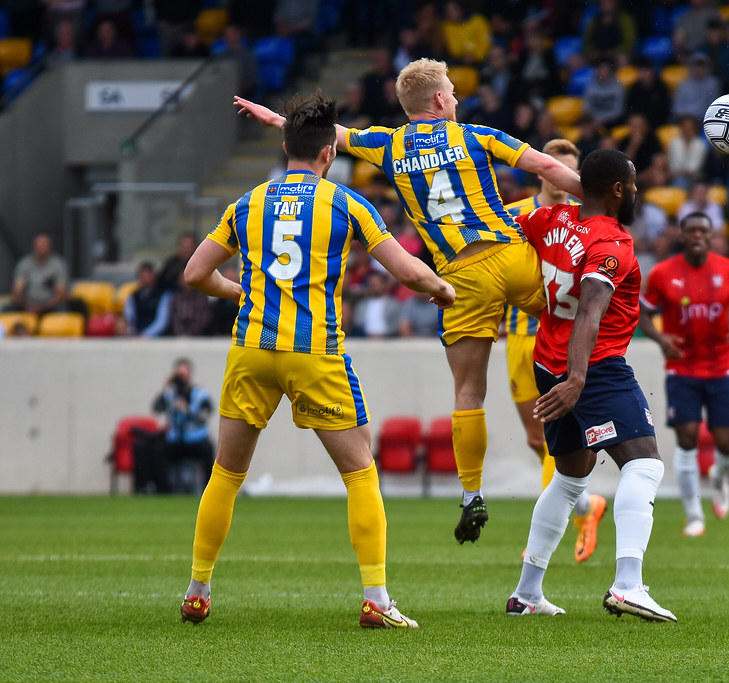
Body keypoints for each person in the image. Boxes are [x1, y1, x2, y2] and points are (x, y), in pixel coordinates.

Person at [234, 59, 583, 545]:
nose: (457, 99)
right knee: (581, 326)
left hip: (462, 277)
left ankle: (471, 495)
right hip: (511, 255)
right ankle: (599, 408)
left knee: (469, 392)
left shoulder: (389, 143)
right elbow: (546, 167)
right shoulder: (477, 135)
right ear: (440, 100)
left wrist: (278, 120)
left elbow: (331, 135)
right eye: (454, 93)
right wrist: (602, 202)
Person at [178, 91, 455, 629]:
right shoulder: (347, 204)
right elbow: (407, 271)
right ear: (331, 153)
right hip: (314, 354)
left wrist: (242, 293)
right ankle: (376, 597)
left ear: (286, 145)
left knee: (226, 473)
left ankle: (197, 589)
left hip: (252, 350)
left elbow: (193, 274)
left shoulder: (249, 202)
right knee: (360, 473)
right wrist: (441, 289)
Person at [504, 149, 675, 622]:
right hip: (592, 368)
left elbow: (506, 239)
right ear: (618, 190)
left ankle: (526, 594)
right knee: (645, 466)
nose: (637, 191)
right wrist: (578, 379)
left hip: (545, 360)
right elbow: (590, 311)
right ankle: (628, 585)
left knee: (570, 477)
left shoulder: (546, 218)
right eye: (634, 184)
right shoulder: (613, 244)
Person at [503, 139, 606, 564]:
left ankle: (546, 530)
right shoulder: (514, 215)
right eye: (556, 170)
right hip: (518, 336)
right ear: (541, 171)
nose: (565, 180)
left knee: (552, 438)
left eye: (573, 173)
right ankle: (588, 506)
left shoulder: (588, 220)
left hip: (561, 340)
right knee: (535, 437)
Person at [638, 212, 729, 538]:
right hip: (682, 367)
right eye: (692, 231)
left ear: (711, 236)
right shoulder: (662, 273)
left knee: (727, 441)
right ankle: (693, 514)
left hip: (720, 366)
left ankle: (719, 476)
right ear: (682, 236)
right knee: (687, 437)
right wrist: (660, 338)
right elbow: (644, 314)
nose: (698, 235)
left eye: (704, 230)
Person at [153, 358, 214, 493]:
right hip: (175, 441)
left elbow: (207, 414)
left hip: (196, 441)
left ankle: (209, 491)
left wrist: (188, 411)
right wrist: (166, 387)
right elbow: (156, 407)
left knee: (208, 451)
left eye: (183, 375)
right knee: (157, 450)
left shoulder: (199, 393)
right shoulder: (170, 393)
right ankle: (163, 491)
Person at [5, 234, 69, 315]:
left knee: (62, 310)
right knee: (7, 310)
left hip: (51, 305)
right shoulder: (24, 263)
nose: (42, 248)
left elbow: (61, 294)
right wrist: (27, 306)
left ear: (50, 246)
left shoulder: (58, 264)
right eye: (39, 245)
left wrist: (41, 308)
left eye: (44, 245)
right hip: (27, 305)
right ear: (34, 246)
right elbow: (17, 290)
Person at [123, 262, 173, 337]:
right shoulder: (133, 296)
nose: (145, 278)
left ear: (154, 276)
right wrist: (133, 332)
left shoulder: (164, 295)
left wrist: (145, 334)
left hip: (157, 338)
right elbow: (129, 318)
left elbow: (162, 321)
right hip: (136, 337)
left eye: (147, 275)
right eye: (142, 275)